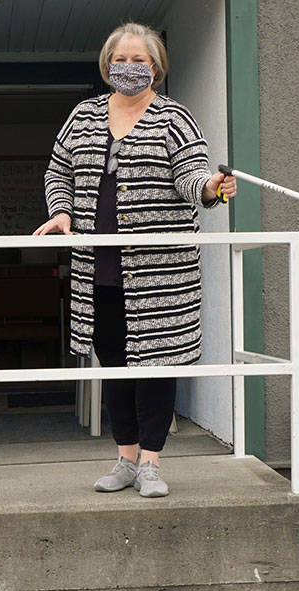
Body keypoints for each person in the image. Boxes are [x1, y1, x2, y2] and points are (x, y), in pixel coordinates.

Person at [33, 21, 236, 498]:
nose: (128, 67)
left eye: (138, 61)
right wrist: (61, 211)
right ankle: (124, 459)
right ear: (107, 65)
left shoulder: (173, 118)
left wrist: (211, 187)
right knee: (115, 366)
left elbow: (192, 177)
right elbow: (58, 169)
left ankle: (151, 464)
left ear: (156, 68)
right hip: (97, 270)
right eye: (120, 60)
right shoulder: (82, 116)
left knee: (156, 367)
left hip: (161, 274)